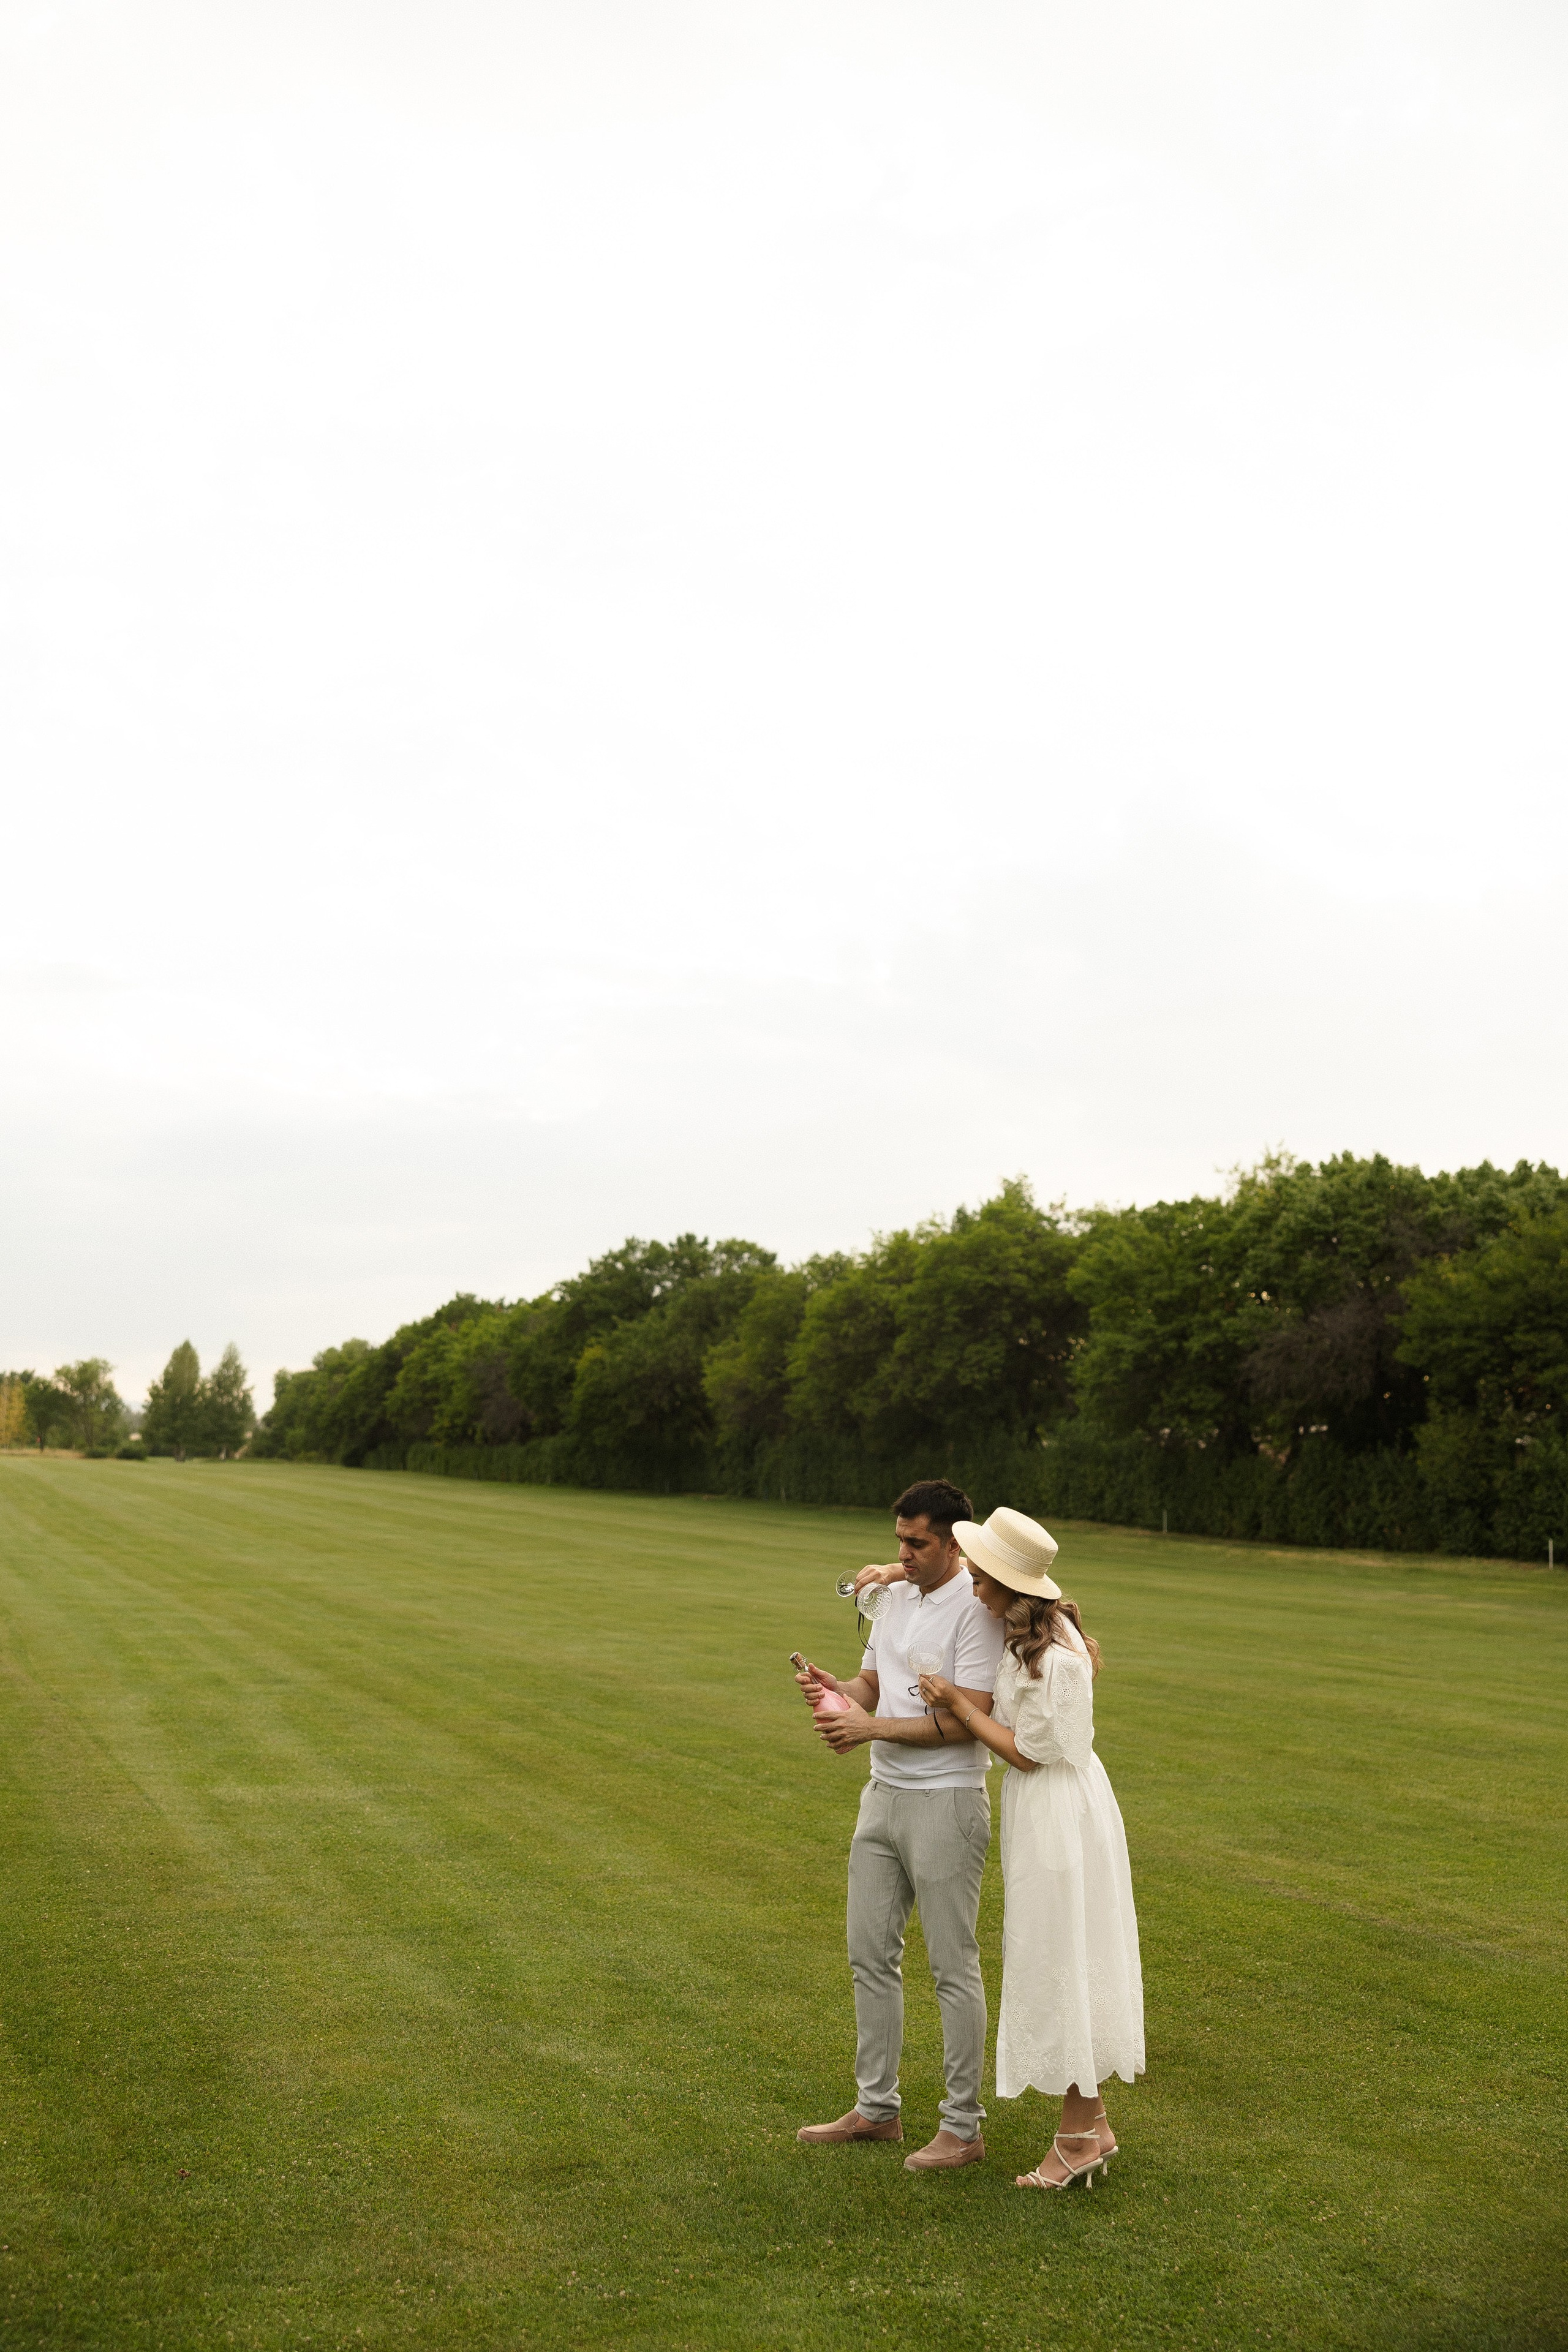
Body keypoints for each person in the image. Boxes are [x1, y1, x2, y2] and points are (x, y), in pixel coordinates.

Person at [917, 1506, 1144, 2189]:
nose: (973, 1587)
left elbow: (1027, 1755)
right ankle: (1092, 2124)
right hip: (1054, 1811)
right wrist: (881, 1575)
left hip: (1058, 1818)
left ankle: (1075, 2137)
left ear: (1007, 1584)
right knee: (1058, 1953)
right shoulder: (1033, 1630)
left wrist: (958, 1703)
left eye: (981, 1576)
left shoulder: (1053, 1655)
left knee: (1058, 1958)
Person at [793, 1478, 1005, 2172]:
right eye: (899, 1542)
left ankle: (963, 2128)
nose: (902, 1554)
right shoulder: (893, 1597)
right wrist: (834, 1691)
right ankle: (876, 2110)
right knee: (868, 1956)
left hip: (946, 1802)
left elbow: (964, 1717)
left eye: (916, 1544)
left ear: (952, 1543)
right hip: (882, 1797)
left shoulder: (977, 1608)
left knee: (952, 1967)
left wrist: (868, 1727)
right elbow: (872, 1688)